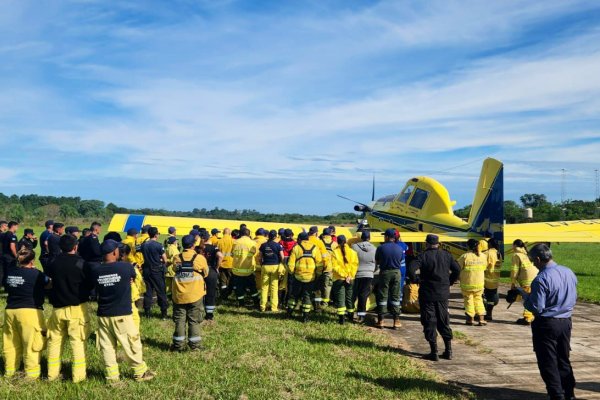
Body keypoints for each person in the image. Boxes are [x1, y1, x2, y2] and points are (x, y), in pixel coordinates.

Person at [88, 240, 155, 382]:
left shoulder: (95, 270)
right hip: (122, 314)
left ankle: (112, 377)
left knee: (107, 347)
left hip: (103, 314)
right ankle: (140, 373)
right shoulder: (125, 267)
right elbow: (132, 277)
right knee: (131, 343)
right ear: (115, 252)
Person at [524, 244, 577, 400]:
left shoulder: (540, 279)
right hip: (566, 321)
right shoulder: (568, 272)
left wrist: (525, 298)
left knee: (548, 361)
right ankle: (569, 393)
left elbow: (537, 308)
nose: (533, 264)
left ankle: (556, 394)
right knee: (563, 358)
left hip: (547, 324)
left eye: (533, 261)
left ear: (539, 259)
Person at [45, 234, 91, 383]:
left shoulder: (52, 262)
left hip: (57, 309)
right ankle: (78, 377)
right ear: (75, 247)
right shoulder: (81, 263)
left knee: (54, 342)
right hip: (77, 308)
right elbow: (89, 284)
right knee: (77, 343)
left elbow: (48, 282)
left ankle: (52, 375)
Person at [408, 234, 460, 361]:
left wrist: (416, 279)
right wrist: (450, 281)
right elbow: (457, 270)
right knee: (443, 320)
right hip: (443, 293)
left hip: (427, 293)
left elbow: (411, 269)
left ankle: (434, 351)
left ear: (426, 244)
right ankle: (448, 350)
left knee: (429, 321)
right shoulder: (447, 255)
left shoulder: (423, 256)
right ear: (439, 244)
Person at [2, 248, 50, 379]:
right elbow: (49, 283)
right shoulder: (36, 274)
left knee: (11, 343)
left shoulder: (11, 272)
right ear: (32, 261)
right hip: (30, 311)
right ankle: (32, 375)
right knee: (32, 344)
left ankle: (10, 371)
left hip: (10, 311)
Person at [171, 235, 209, 351]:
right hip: (195, 294)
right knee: (194, 320)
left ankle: (178, 346)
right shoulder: (200, 258)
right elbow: (206, 273)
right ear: (193, 245)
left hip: (179, 294)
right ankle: (195, 345)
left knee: (180, 320)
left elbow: (174, 269)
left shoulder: (177, 258)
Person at [287, 232, 323, 322]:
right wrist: (318, 275)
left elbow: (291, 264)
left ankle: (289, 313)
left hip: (298, 276)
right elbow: (319, 264)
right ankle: (305, 317)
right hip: (310, 278)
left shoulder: (296, 248)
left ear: (300, 239)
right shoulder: (315, 248)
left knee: (294, 295)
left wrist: (292, 273)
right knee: (307, 296)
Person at [374, 228, 404, 330]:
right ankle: (396, 321)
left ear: (386, 237)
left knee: (383, 295)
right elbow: (401, 260)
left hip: (385, 272)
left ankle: (381, 321)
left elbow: (377, 261)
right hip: (396, 272)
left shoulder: (381, 248)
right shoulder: (399, 248)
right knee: (395, 296)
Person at [457, 239, 488, 326]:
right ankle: (481, 319)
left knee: (468, 301)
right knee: (479, 300)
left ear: (468, 246)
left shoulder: (465, 256)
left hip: (467, 283)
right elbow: (484, 267)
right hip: (479, 283)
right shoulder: (483, 256)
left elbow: (457, 268)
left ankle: (470, 319)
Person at [140, 227, 169, 319]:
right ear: (156, 234)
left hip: (146, 270)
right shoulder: (159, 245)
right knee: (161, 291)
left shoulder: (144, 245)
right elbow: (165, 259)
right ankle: (163, 312)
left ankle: (147, 311)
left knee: (148, 291)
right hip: (156, 270)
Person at [330, 235, 358, 325]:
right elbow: (355, 265)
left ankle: (341, 320)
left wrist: (344, 275)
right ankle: (351, 316)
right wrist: (349, 276)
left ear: (337, 242)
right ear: (345, 241)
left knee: (340, 299)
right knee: (350, 298)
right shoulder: (353, 252)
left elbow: (335, 267)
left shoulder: (334, 252)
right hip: (350, 279)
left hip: (339, 279)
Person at [351, 231, 377, 324]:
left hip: (357, 273)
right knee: (363, 295)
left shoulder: (354, 247)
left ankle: (350, 313)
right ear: (369, 238)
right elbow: (376, 262)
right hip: (369, 274)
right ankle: (361, 315)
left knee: (353, 294)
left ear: (361, 238)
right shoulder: (374, 248)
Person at [512, 239, 538, 325]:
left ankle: (527, 318)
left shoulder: (516, 255)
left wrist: (513, 282)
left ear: (515, 245)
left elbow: (514, 270)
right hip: (535, 278)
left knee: (527, 298)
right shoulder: (527, 253)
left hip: (527, 280)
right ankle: (532, 316)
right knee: (532, 297)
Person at [257, 230, 284, 312]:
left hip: (265, 266)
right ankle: (274, 307)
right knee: (274, 288)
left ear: (268, 236)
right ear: (275, 237)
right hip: (275, 267)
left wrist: (262, 264)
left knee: (264, 287)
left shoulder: (263, 245)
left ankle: (262, 306)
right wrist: (281, 264)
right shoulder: (278, 245)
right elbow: (282, 257)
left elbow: (259, 257)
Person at [231, 228, 259, 308]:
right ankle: (256, 301)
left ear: (240, 234)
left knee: (239, 288)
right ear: (249, 234)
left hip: (237, 270)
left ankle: (241, 303)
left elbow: (232, 254)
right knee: (252, 287)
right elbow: (256, 255)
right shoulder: (253, 243)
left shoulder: (235, 242)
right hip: (249, 270)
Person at [198, 231, 222, 321]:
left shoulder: (197, 248)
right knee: (211, 293)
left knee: (198, 293)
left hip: (199, 272)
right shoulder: (214, 247)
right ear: (209, 238)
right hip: (211, 270)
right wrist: (217, 267)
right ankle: (209, 315)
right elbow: (220, 256)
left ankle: (197, 311)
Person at [308, 226, 331, 310]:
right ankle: (317, 307)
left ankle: (305, 304)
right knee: (317, 289)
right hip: (317, 268)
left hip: (305, 268)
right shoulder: (319, 242)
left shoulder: (305, 240)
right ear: (316, 233)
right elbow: (324, 256)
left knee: (306, 287)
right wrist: (325, 266)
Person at [483, 238, 503, 321]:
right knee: (491, 299)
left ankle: (480, 313)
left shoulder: (487, 253)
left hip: (487, 279)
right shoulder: (498, 253)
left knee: (483, 298)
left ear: (490, 244)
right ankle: (489, 314)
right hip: (495, 280)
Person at [320, 228, 338, 308]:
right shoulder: (334, 244)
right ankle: (325, 303)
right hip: (329, 268)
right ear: (330, 234)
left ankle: (317, 301)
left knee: (318, 285)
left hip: (319, 267)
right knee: (327, 286)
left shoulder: (319, 243)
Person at [279, 229, 296, 308]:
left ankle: (280, 301)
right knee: (290, 284)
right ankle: (287, 302)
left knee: (282, 284)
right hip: (291, 263)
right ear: (291, 235)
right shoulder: (294, 243)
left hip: (282, 262)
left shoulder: (280, 242)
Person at [217, 228, 235, 299]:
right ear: (230, 233)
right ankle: (229, 293)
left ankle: (223, 295)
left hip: (221, 263)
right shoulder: (233, 241)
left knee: (223, 281)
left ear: (223, 233)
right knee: (231, 280)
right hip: (231, 263)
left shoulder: (219, 241)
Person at [254, 228, 268, 292]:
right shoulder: (266, 242)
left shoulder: (252, 241)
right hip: (264, 264)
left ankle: (258, 291)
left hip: (254, 265)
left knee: (257, 279)